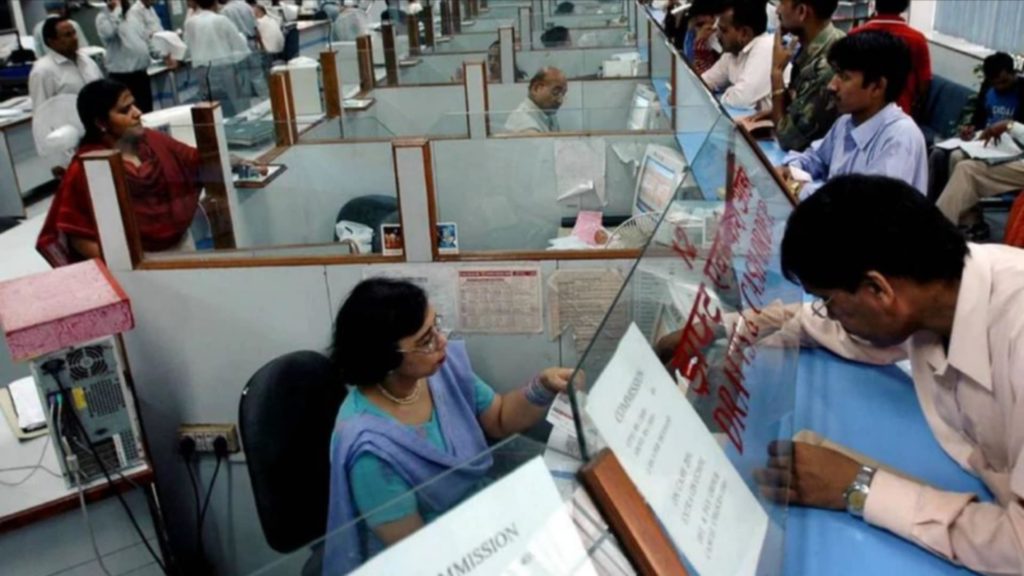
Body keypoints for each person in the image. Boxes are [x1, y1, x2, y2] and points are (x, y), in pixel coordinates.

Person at [750, 173, 1024, 576]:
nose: (829, 314)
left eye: (828, 300)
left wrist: (857, 486)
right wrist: (729, 329)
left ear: (878, 290)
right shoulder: (937, 291)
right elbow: (822, 326)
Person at [324, 278, 574, 572]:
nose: (441, 341)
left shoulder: (439, 370)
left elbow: (499, 419)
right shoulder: (369, 451)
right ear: (386, 358)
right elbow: (421, 556)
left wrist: (543, 387)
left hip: (483, 525)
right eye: (425, 340)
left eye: (436, 326)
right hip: (444, 558)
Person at [36, 79, 202, 266]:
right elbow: (78, 235)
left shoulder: (153, 141)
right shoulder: (88, 167)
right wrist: (126, 268)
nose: (137, 113)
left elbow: (196, 161)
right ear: (101, 123)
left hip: (182, 249)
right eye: (125, 110)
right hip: (135, 264)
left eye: (134, 105)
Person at [779, 30, 927, 199]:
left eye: (844, 77)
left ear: (877, 87)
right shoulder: (846, 121)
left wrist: (800, 188)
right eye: (836, 73)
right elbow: (816, 159)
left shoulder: (900, 138)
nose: (832, 86)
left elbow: (861, 207)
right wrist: (789, 169)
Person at [740, 0, 844, 152]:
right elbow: (799, 102)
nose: (777, 11)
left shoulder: (826, 65)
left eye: (782, 4)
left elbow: (788, 140)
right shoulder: (818, 44)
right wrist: (779, 110)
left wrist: (776, 72)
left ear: (801, 11)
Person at [928, 52, 1024, 201]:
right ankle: (943, 203)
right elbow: (978, 120)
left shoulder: (1021, 92)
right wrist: (970, 129)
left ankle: (963, 208)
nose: (999, 87)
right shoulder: (988, 88)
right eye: (995, 83)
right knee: (941, 154)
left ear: (1014, 73)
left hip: (1009, 147)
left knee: (959, 160)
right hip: (984, 141)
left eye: (1004, 82)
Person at [934, 120, 1024, 240]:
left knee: (967, 169)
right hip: (1015, 146)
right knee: (957, 156)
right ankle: (970, 222)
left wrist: (1009, 126)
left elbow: (1012, 127)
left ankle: (937, 230)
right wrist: (976, 134)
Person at [850, 0, 931, 120]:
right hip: (901, 113)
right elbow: (924, 83)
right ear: (905, 6)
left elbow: (846, 76)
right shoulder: (917, 39)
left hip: (860, 109)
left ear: (876, 4)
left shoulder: (855, 35)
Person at [700, 0, 774, 111]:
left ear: (744, 33)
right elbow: (704, 82)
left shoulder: (766, 46)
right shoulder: (733, 52)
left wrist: (723, 95)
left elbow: (741, 100)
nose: (717, 35)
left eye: (724, 31)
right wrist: (731, 91)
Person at [95, 0, 167, 113]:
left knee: (147, 112)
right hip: (122, 78)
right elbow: (109, 33)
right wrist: (117, 10)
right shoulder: (103, 18)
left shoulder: (132, 15)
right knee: (130, 114)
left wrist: (162, 55)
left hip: (141, 75)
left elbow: (146, 38)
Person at [184, 0, 252, 118]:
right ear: (215, 3)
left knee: (210, 106)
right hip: (224, 68)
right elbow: (239, 45)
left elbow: (187, 47)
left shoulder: (190, 22)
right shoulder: (221, 20)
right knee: (235, 103)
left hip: (202, 70)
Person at [28, 17, 104, 113]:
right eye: (68, 35)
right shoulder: (43, 71)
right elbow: (41, 112)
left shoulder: (87, 61)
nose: (75, 38)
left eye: (74, 33)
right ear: (52, 42)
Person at [218, 0, 269, 99]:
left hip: (237, 47)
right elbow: (255, 28)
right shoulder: (245, 5)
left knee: (242, 77)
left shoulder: (225, 11)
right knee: (257, 74)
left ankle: (247, 103)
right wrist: (261, 45)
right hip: (252, 42)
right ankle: (266, 99)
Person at [665, 0, 722, 75]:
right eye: (698, 25)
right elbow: (669, 33)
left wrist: (699, 43)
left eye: (702, 24)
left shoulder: (720, 43)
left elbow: (709, 75)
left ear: (714, 18)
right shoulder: (689, 28)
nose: (699, 29)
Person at [504, 67, 568, 133]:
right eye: (556, 92)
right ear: (536, 88)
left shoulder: (549, 114)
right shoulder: (524, 123)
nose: (560, 101)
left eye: (563, 94)